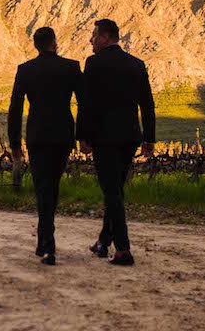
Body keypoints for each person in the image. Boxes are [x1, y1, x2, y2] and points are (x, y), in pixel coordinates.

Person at [76, 18, 155, 266]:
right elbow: (148, 105)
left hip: (104, 138)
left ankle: (123, 250)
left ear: (106, 38)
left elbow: (86, 103)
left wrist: (82, 136)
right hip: (130, 137)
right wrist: (149, 138)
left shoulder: (94, 63)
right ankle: (103, 242)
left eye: (94, 35)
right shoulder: (137, 65)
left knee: (112, 193)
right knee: (116, 191)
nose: (90, 40)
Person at [8, 26, 81, 266]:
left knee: (42, 187)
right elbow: (85, 104)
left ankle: (46, 243)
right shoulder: (71, 68)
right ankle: (45, 241)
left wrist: (15, 143)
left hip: (37, 136)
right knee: (53, 185)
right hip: (62, 136)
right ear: (55, 43)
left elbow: (16, 109)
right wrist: (83, 136)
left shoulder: (25, 70)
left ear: (36, 46)